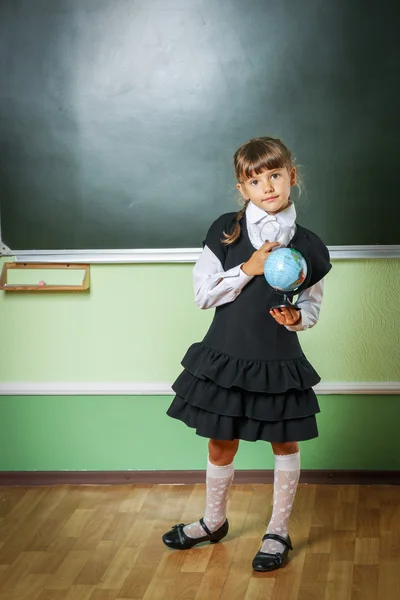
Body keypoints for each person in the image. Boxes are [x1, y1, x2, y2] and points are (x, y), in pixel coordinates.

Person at [162, 136, 332, 572]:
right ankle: (214, 521)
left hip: (278, 360)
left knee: (284, 441)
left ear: (291, 177)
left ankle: (277, 530)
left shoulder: (310, 246)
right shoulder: (225, 230)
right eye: (255, 180)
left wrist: (297, 320)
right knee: (221, 442)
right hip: (226, 356)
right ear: (243, 189)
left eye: (275, 175)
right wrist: (247, 268)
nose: (268, 186)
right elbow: (203, 295)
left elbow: (311, 306)